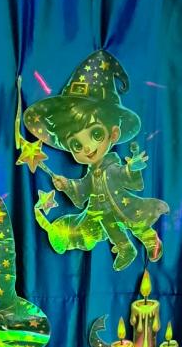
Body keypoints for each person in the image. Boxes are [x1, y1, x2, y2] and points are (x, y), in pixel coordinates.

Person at [22, 50, 169, 270]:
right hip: (100, 211)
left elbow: (124, 176)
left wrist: (132, 168)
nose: (88, 148)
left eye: (96, 134)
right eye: (76, 145)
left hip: (121, 204)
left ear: (114, 133)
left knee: (134, 221)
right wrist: (66, 185)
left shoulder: (111, 166)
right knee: (109, 224)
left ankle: (149, 239)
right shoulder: (90, 173)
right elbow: (83, 188)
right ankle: (126, 249)